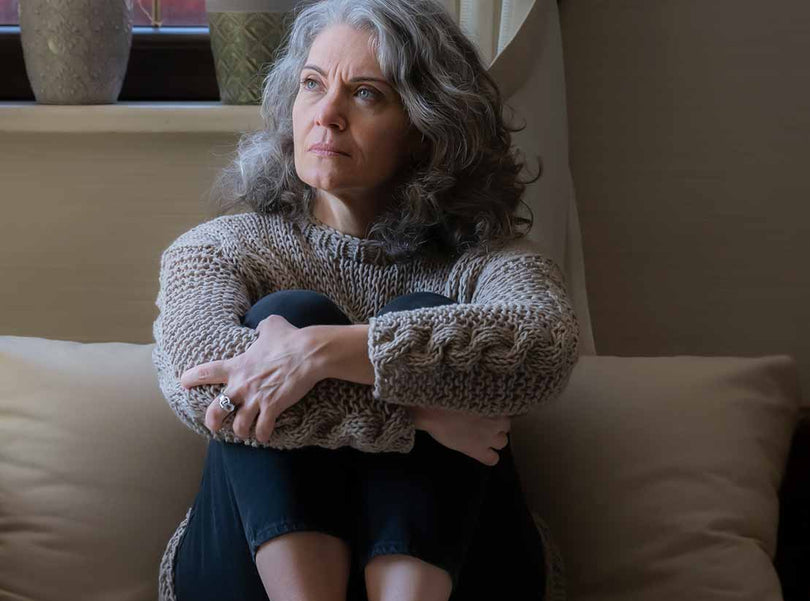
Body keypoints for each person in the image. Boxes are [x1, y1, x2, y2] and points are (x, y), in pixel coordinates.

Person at [150, 0, 581, 599]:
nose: (326, 115)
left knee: (416, 320)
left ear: (427, 127)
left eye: (367, 94)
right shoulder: (222, 249)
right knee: (293, 312)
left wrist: (318, 355)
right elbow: (206, 392)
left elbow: (546, 349)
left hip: (462, 571)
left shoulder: (486, 258)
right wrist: (422, 415)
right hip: (249, 576)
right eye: (312, 84)